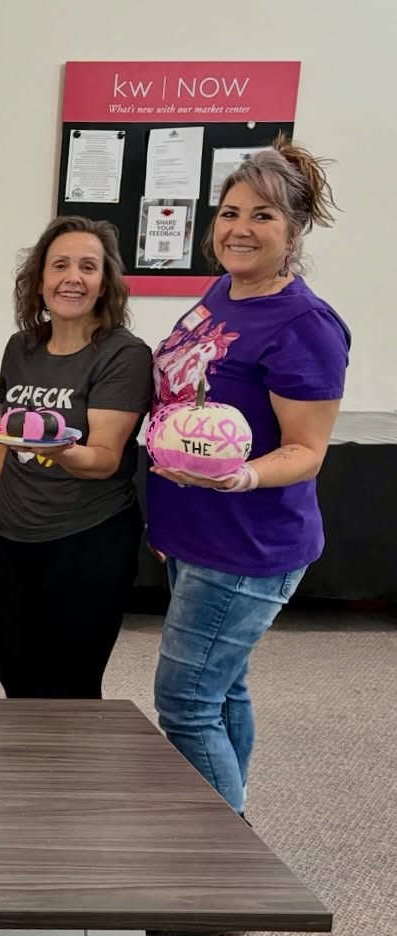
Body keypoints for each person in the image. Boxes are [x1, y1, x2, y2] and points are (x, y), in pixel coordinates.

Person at [148, 135, 349, 817]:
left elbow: (306, 450)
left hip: (245, 544)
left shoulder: (305, 325)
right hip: (194, 531)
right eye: (230, 213)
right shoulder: (223, 291)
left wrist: (239, 478)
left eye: (262, 216)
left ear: (294, 231)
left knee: (185, 701)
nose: (239, 229)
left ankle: (216, 855)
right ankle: (231, 820)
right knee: (223, 687)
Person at [0, 217, 152, 698]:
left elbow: (104, 459)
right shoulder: (21, 347)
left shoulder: (124, 355)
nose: (73, 278)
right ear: (40, 279)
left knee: (72, 678)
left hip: (88, 534)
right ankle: (28, 744)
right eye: (60, 265)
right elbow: (6, 438)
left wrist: (56, 449)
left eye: (88, 267)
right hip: (12, 530)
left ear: (105, 283)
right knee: (5, 652)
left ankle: (67, 750)